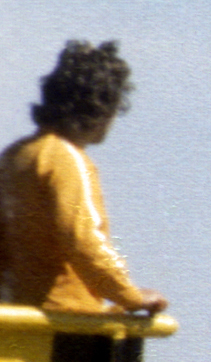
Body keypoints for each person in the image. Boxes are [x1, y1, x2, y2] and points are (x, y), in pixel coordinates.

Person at [2, 40, 164, 320]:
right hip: (66, 319)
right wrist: (131, 295)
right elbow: (82, 239)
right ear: (101, 109)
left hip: (16, 320)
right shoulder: (65, 158)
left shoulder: (15, 156)